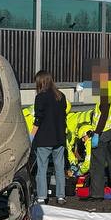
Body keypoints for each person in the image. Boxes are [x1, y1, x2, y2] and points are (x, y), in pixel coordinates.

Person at [84, 62, 111, 201]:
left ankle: (96, 194)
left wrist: (96, 133)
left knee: (97, 164)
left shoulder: (105, 91)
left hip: (102, 132)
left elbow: (104, 113)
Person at [30, 69, 68, 205]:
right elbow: (64, 117)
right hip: (59, 138)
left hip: (44, 139)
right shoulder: (61, 96)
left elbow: (38, 119)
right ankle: (61, 196)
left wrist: (31, 137)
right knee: (59, 167)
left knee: (42, 168)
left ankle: (41, 196)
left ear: (40, 82)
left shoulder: (40, 97)